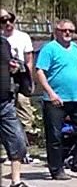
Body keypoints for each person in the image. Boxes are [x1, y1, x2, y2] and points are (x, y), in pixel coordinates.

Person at [33, 18, 77, 180]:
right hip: (55, 100)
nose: (68, 33)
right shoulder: (49, 49)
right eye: (64, 30)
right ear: (56, 32)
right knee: (55, 136)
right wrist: (51, 93)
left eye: (71, 31)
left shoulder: (75, 49)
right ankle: (56, 169)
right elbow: (40, 72)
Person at [0, 33, 36, 187]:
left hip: (5, 101)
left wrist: (14, 68)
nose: (5, 23)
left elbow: (9, 66)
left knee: (18, 141)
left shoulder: (4, 43)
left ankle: (16, 183)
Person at [1, 10, 36, 147]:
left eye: (11, 20)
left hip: (20, 77)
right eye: (4, 21)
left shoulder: (23, 37)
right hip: (4, 80)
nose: (8, 24)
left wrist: (30, 79)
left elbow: (29, 60)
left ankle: (24, 147)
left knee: (24, 110)